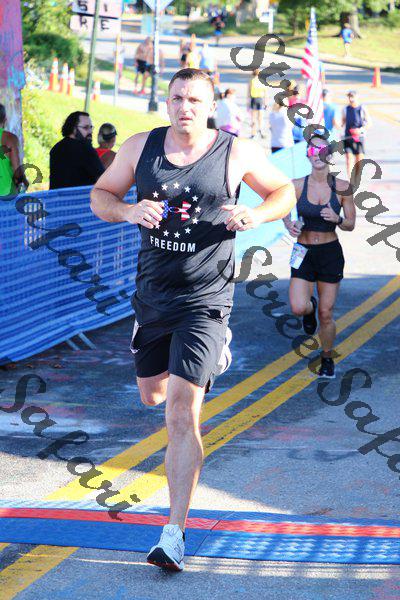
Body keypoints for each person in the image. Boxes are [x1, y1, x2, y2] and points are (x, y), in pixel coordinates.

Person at [90, 68, 296, 572]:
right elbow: (100, 195)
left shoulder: (235, 151)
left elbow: (283, 191)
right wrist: (128, 211)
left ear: (210, 106)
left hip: (207, 299)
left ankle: (174, 533)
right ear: (167, 102)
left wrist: (255, 215)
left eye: (196, 100)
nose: (186, 107)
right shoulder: (140, 148)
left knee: (181, 413)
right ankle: (192, 356)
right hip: (153, 296)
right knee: (152, 396)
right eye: (178, 98)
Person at [283, 135, 356, 379]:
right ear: (307, 154)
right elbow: (282, 207)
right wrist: (289, 224)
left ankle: (326, 357)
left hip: (329, 253)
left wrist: (338, 219)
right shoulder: (296, 185)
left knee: (326, 313)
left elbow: (351, 224)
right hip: (302, 252)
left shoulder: (343, 187)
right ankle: (309, 307)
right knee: (298, 307)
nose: (317, 155)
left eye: (322, 150)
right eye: (312, 150)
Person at [49, 111, 104, 190]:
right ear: (73, 128)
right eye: (86, 127)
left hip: (56, 197)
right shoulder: (86, 149)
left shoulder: (56, 148)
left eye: (91, 127)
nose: (90, 131)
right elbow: (103, 180)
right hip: (80, 197)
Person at [342, 90, 371, 180]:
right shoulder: (345, 109)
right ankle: (350, 180)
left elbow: (369, 123)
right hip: (348, 137)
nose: (351, 99)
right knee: (348, 159)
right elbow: (342, 123)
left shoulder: (362, 108)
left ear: (357, 97)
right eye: (349, 97)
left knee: (359, 160)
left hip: (359, 138)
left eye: (352, 97)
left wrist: (360, 130)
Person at [0, 104, 28, 196]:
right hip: (5, 192)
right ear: (5, 120)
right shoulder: (10, 139)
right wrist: (25, 182)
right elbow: (17, 171)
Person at [248, 69, 267, 138]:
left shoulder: (252, 81)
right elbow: (265, 93)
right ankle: (261, 130)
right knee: (260, 117)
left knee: (253, 117)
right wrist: (265, 102)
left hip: (254, 99)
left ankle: (253, 133)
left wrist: (248, 102)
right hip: (261, 99)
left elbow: (249, 92)